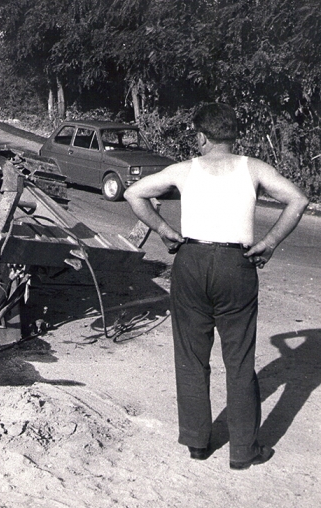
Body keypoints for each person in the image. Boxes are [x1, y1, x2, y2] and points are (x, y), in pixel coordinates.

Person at [124, 103, 309, 470]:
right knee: (238, 361)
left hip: (190, 261)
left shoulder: (184, 170)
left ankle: (196, 442)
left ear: (202, 136)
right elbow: (298, 200)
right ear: (234, 134)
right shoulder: (253, 168)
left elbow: (134, 194)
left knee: (192, 357)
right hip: (235, 264)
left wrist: (165, 231)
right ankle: (243, 452)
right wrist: (269, 243)